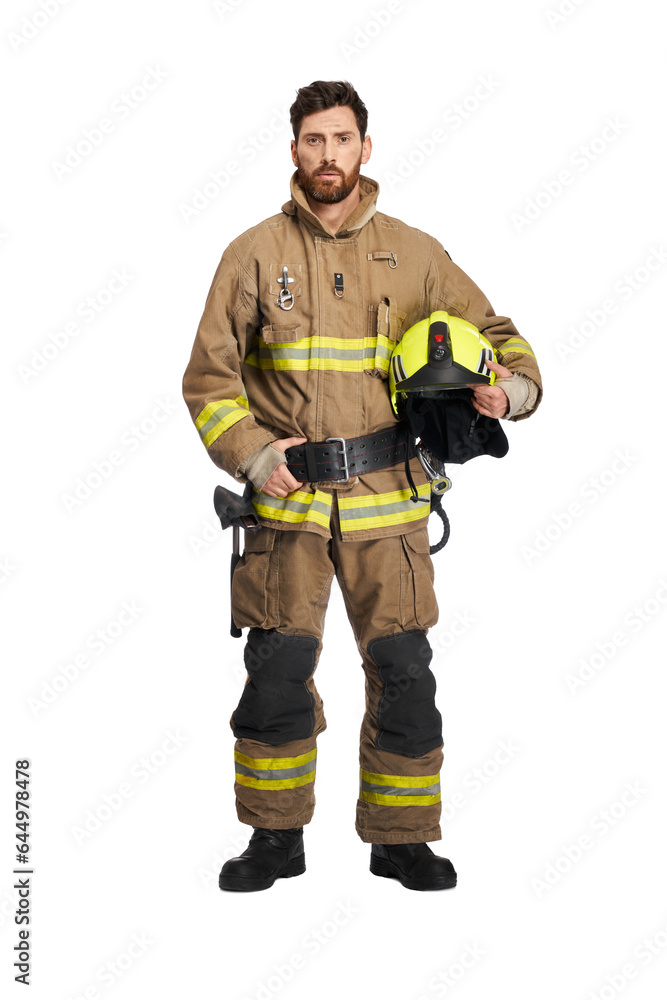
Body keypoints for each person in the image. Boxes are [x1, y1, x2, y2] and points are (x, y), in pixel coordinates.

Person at [182, 80, 542, 892]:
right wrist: (250, 455)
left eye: (341, 139)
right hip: (286, 507)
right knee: (277, 672)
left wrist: (505, 391)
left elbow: (501, 341)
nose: (327, 155)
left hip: (391, 506)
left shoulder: (413, 252)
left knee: (404, 672)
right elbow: (208, 382)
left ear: (364, 148)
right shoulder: (251, 255)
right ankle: (273, 840)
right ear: (294, 152)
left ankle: (401, 839)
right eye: (313, 140)